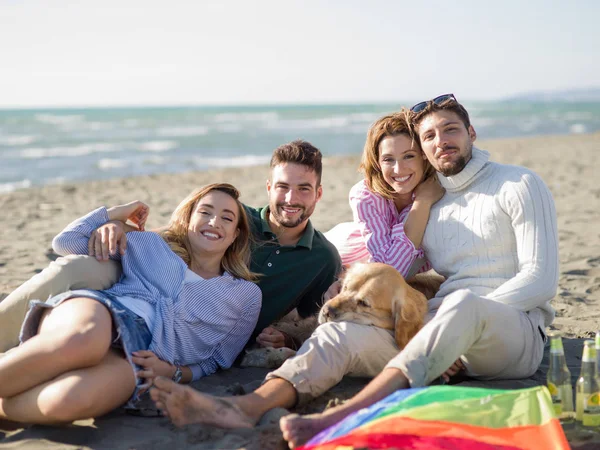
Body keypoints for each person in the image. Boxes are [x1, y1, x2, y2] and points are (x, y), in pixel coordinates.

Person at [149, 95, 558, 449]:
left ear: (472, 131)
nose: (440, 142)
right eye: (429, 136)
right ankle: (245, 406)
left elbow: (540, 279)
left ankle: (333, 419)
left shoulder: (517, 183)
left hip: (513, 334)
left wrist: (447, 328)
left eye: (450, 130)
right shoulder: (430, 206)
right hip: (441, 343)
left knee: (463, 304)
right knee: (337, 333)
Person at [0, 140, 341, 353]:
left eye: (304, 189)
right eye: (282, 187)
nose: (290, 199)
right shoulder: (235, 219)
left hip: (186, 331)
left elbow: (316, 323)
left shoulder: (323, 258)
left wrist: (288, 340)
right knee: (70, 267)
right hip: (149, 283)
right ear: (268, 187)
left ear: (319, 193)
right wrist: (115, 224)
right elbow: (167, 236)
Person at [0, 183, 262, 424]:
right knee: (85, 339)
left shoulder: (245, 294)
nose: (214, 222)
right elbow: (66, 242)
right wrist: (114, 216)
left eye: (226, 218)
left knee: (69, 400)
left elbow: (217, 361)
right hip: (105, 311)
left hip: (139, 358)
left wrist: (172, 372)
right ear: (189, 219)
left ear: (235, 235)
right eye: (205, 212)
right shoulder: (151, 244)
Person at [324, 110, 444, 277]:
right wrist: (422, 202)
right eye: (388, 159)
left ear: (423, 155)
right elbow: (388, 270)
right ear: (377, 162)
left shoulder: (440, 189)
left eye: (408, 156)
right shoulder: (366, 195)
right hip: (336, 255)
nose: (398, 169)